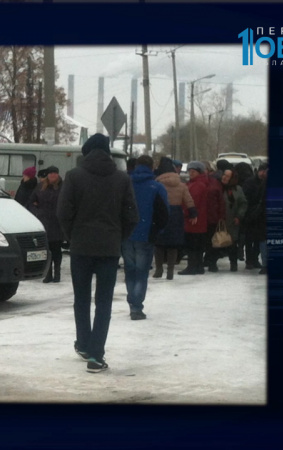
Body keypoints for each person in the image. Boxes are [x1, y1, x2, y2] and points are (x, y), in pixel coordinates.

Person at [58, 133, 138, 373]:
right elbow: (132, 216)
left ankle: (83, 343)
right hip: (109, 249)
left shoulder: (73, 176)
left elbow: (62, 212)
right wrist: (117, 237)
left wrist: (73, 236)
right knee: (104, 302)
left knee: (81, 299)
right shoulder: (122, 179)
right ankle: (96, 356)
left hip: (81, 248)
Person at [121, 155, 168, 320]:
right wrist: (157, 232)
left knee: (130, 270)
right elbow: (164, 214)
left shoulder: (126, 184)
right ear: (152, 167)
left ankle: (132, 302)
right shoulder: (156, 187)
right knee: (141, 272)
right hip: (147, 235)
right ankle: (136, 306)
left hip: (126, 234)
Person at [153, 157, 196, 280]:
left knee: (159, 244)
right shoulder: (181, 185)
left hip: (160, 213)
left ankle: (159, 269)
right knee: (173, 244)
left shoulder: (157, 184)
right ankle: (170, 271)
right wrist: (193, 212)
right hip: (176, 214)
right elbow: (188, 200)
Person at [28, 166, 63, 283]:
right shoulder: (40, 187)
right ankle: (48, 274)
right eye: (51, 173)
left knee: (57, 250)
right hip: (44, 222)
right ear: (47, 175)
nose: (53, 175)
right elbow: (31, 202)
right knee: (47, 249)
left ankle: (57, 273)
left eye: (55, 173)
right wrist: (37, 211)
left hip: (57, 222)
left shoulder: (63, 187)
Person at [179, 161, 209, 275]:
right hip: (199, 219)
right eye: (189, 171)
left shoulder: (197, 185)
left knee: (192, 243)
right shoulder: (199, 183)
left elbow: (191, 201)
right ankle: (198, 266)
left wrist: (187, 213)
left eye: (193, 171)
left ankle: (192, 267)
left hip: (194, 218)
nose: (190, 173)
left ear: (199, 172)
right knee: (198, 244)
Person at [220, 168, 248, 272]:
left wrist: (239, 216)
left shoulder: (237, 189)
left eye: (227, 176)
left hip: (232, 220)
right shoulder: (218, 187)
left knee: (232, 242)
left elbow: (243, 204)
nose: (224, 177)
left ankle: (233, 263)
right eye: (224, 175)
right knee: (216, 240)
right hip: (218, 219)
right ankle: (211, 262)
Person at [203, 160, 227, 272]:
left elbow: (220, 201)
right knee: (206, 241)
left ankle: (211, 262)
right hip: (204, 217)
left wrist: (221, 216)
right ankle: (207, 260)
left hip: (212, 217)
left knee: (212, 241)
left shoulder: (214, 183)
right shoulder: (212, 183)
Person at [243, 163, 268, 274]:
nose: (263, 173)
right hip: (252, 214)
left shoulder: (263, 183)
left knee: (259, 240)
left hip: (259, 214)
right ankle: (250, 260)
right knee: (250, 239)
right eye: (262, 171)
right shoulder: (250, 182)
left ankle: (255, 259)